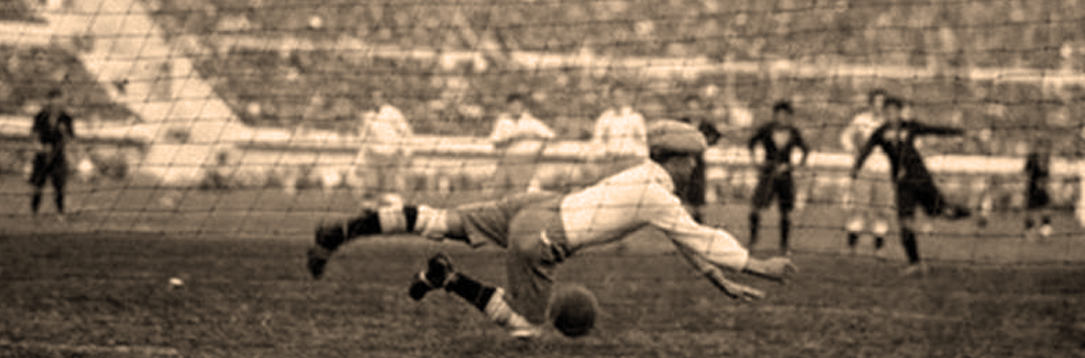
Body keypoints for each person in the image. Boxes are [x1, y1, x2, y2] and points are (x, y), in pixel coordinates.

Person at [305, 120, 797, 338]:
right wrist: (760, 267)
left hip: (536, 204)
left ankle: (342, 232)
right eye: (693, 159)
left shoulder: (643, 177)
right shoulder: (658, 194)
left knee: (436, 219)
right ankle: (447, 278)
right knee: (526, 325)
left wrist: (716, 278)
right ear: (678, 159)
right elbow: (697, 235)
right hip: (545, 236)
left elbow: (681, 236)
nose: (695, 166)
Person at [850, 97, 972, 276]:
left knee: (944, 212)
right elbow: (866, 149)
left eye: (894, 111)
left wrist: (957, 132)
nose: (891, 114)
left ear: (900, 112)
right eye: (888, 111)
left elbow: (933, 129)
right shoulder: (880, 132)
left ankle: (968, 212)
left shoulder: (910, 126)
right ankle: (915, 263)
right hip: (902, 184)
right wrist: (856, 168)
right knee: (905, 222)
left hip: (922, 179)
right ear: (885, 113)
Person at [747, 101, 810, 255]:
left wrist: (792, 166)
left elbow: (805, 150)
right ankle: (752, 241)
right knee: (755, 208)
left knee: (786, 212)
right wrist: (757, 162)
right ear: (774, 115)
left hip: (785, 177)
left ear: (789, 116)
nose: (781, 117)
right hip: (767, 174)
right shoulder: (766, 129)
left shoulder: (794, 132)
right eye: (779, 114)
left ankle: (784, 245)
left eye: (785, 114)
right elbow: (751, 143)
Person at [840, 89, 891, 258]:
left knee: (882, 211)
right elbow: (845, 137)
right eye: (876, 102)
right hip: (864, 169)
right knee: (859, 209)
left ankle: (880, 249)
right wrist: (854, 150)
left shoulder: (890, 122)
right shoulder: (861, 120)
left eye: (882, 102)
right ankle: (851, 246)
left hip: (885, 170)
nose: (879, 106)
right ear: (870, 103)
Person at [488, 94, 556, 193]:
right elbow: (495, 142)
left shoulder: (531, 121)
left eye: (518, 105)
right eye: (513, 105)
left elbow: (551, 136)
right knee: (498, 191)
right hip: (506, 161)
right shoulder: (503, 122)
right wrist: (513, 139)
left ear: (523, 106)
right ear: (508, 106)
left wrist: (534, 138)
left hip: (526, 162)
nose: (516, 108)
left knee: (522, 192)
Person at [353, 90, 414, 196]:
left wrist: (407, 152)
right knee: (372, 188)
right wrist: (359, 160)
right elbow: (364, 140)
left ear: (383, 99)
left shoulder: (393, 113)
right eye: (373, 98)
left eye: (378, 97)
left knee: (390, 189)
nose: (375, 100)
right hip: (374, 156)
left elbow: (406, 132)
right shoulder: (367, 116)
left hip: (391, 156)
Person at [29, 89, 75, 218]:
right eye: (54, 101)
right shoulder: (40, 116)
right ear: (49, 101)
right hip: (42, 156)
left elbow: (70, 139)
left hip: (58, 156)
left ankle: (60, 213)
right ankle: (34, 212)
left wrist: (64, 132)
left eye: (60, 101)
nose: (57, 104)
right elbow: (34, 135)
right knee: (38, 185)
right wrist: (40, 147)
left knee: (59, 186)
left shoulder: (66, 118)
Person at [678, 94, 722, 224]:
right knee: (682, 201)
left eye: (696, 108)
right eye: (690, 108)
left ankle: (699, 226)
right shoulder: (680, 123)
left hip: (698, 166)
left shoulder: (706, 125)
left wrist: (703, 143)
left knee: (698, 202)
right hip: (682, 165)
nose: (693, 111)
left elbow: (716, 137)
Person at [588, 84, 648, 173]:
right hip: (611, 162)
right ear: (610, 98)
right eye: (614, 97)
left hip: (631, 162)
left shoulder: (636, 118)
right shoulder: (604, 118)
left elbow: (643, 142)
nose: (618, 100)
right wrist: (604, 154)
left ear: (626, 97)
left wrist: (639, 159)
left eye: (621, 96)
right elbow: (596, 141)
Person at [1022, 136, 1053, 240]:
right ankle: (1029, 232)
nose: (1042, 149)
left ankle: (1044, 231)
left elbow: (1047, 174)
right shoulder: (1032, 158)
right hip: (1033, 188)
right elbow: (1026, 173)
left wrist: (1045, 185)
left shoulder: (1045, 158)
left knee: (1045, 210)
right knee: (1030, 211)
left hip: (1041, 189)